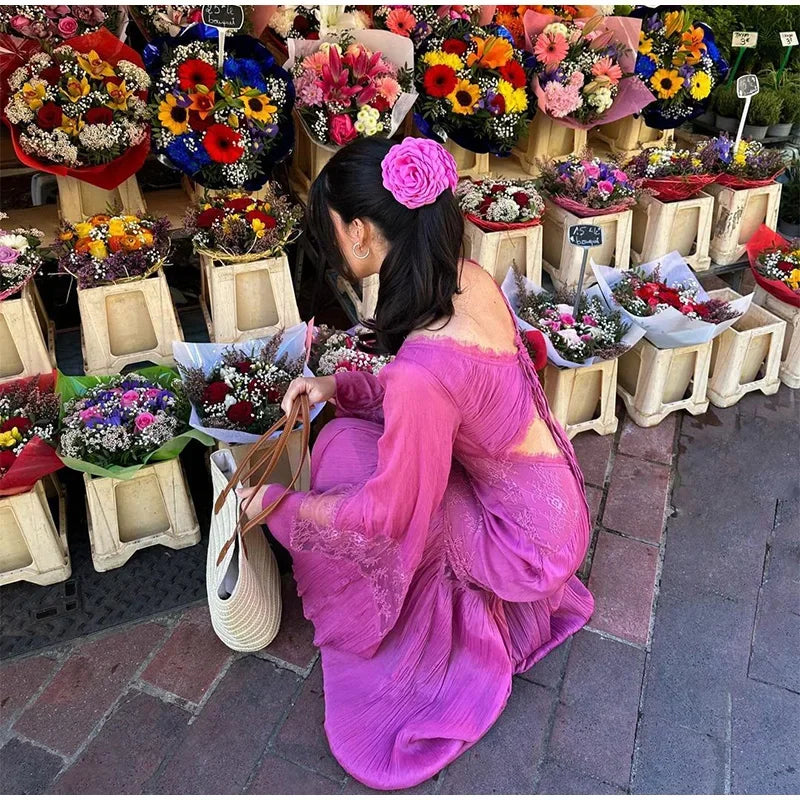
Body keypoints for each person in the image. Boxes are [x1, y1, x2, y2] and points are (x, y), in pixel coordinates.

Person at [239, 137, 594, 791]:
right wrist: (336, 388)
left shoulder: (424, 367)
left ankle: (447, 640)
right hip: (548, 501)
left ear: (361, 232)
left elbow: (384, 517)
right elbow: (449, 396)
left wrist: (277, 511)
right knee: (345, 438)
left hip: (523, 542)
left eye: (333, 230)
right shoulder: (464, 276)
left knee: (357, 486)